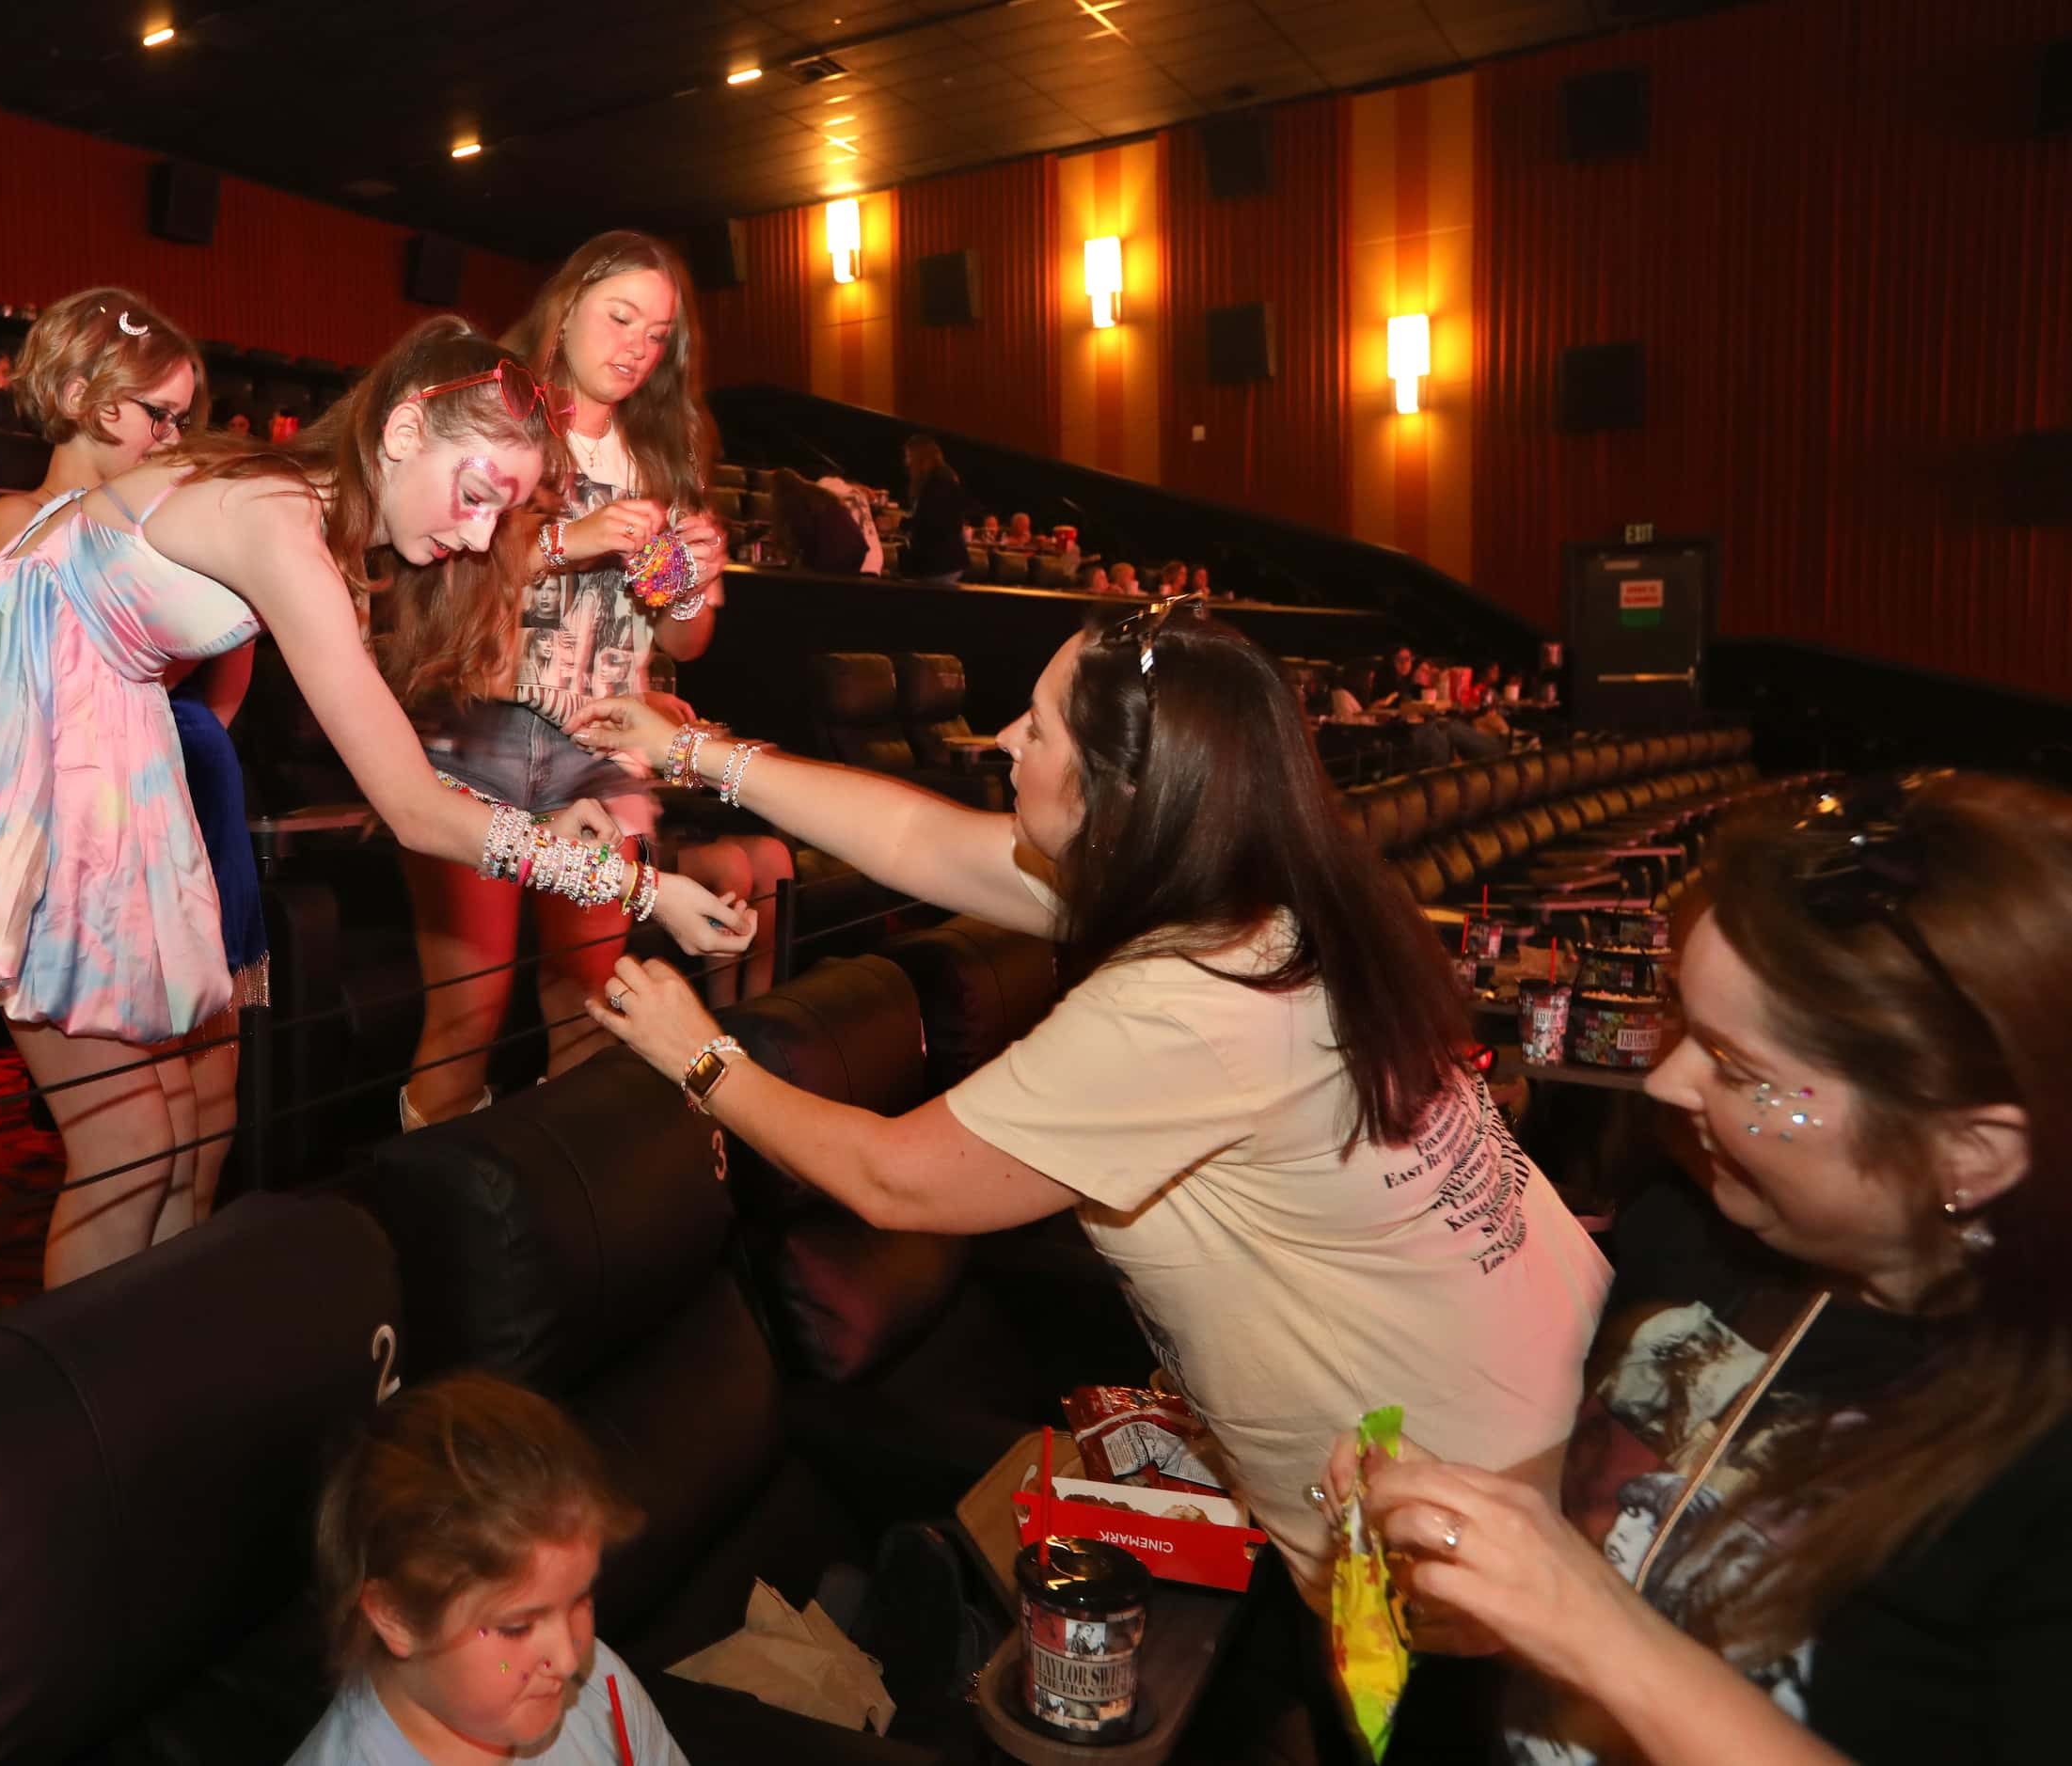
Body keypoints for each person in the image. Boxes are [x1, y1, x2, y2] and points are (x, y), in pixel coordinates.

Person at [569, 603, 1610, 1605]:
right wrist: (695, 753)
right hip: (1539, 1413)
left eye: (1042, 725)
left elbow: (894, 1181)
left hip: (1466, 1525)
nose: (1005, 739)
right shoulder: (1248, 882)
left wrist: (701, 1058)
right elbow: (923, 843)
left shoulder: (1191, 1000)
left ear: (1120, 794)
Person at [0, 314, 754, 1287]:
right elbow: (411, 809)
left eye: (506, 511)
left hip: (120, 749)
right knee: (125, 1151)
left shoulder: (316, 516)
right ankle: (93, 1413)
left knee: (185, 1133)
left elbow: (391, 757)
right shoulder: (276, 520)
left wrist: (542, 822)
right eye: (479, 494)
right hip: (50, 755)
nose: (480, 532)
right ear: (404, 433)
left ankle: (157, 1367)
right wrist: (635, 888)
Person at [1329, 773, 2072, 1766]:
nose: (1666, 1081)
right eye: (1684, 1024)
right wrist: (1467, 1527)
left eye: (1739, 1068)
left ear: (1967, 1154)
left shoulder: (2041, 1466)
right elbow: (1618, 1467)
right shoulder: (1696, 1225)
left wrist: (1594, 1630)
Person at [392, 231, 777, 1130]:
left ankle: (555, 1223)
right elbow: (433, 559)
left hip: (602, 748)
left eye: (657, 331)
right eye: (620, 317)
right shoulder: (496, 418)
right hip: (477, 730)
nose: (638, 346)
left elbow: (691, 634)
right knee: (467, 1015)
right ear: (566, 309)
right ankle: (427, 1222)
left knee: (592, 1004)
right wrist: (580, 538)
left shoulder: (667, 452)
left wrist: (682, 579)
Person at [0, 289, 261, 1238]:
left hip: (189, 804)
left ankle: (175, 1330)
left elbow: (231, 653)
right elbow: (77, 662)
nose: (172, 437)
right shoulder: (17, 518)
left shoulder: (165, 519)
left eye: (184, 419)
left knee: (205, 1123)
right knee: (132, 1146)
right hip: (88, 838)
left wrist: (195, 733)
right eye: (159, 415)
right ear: (83, 396)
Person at [288, 1373, 688, 1766]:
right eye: (517, 1627)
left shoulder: (598, 1688)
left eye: (580, 1598)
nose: (568, 1659)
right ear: (396, 1617)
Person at [767, 466, 870, 575]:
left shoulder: (796, 499)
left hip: (835, 552)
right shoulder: (816, 493)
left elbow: (804, 532)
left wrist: (796, 558)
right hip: (857, 549)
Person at [901, 434, 971, 582]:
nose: (907, 462)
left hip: (940, 563)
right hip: (946, 562)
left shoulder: (938, 482)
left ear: (919, 456)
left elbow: (932, 522)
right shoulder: (943, 477)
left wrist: (902, 524)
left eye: (909, 456)